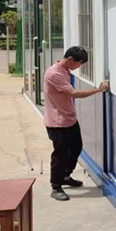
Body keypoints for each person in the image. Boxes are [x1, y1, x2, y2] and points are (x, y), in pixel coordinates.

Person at [43, 46, 108, 201]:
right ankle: (56, 186)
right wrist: (98, 90)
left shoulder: (65, 70)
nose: (79, 67)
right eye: (79, 63)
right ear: (70, 59)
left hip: (69, 119)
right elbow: (73, 93)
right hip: (58, 123)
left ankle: (65, 176)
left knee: (76, 147)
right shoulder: (54, 74)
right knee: (60, 154)